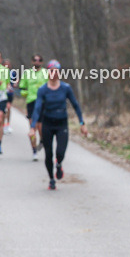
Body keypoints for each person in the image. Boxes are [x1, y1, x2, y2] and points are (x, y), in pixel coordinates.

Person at [30, 60, 87, 190]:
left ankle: (59, 164)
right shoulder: (42, 90)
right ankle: (51, 179)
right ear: (48, 73)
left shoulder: (66, 88)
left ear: (59, 72)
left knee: (60, 152)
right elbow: (37, 108)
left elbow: (75, 105)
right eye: (51, 71)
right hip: (48, 123)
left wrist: (82, 123)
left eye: (56, 71)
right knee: (48, 154)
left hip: (62, 123)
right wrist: (33, 127)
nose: (53, 74)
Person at [18, 54, 48, 159]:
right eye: (35, 60)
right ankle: (34, 151)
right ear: (32, 62)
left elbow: (51, 86)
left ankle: (42, 140)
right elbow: (22, 87)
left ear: (42, 62)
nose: (37, 62)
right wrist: (25, 93)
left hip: (43, 102)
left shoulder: (46, 73)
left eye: (39, 60)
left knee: (41, 127)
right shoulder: (27, 73)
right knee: (32, 127)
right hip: (31, 101)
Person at [3, 59, 15, 134]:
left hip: (10, 93)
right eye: (5, 64)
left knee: (8, 108)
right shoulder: (0, 72)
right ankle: (3, 125)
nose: (7, 66)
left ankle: (7, 124)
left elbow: (14, 81)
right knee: (4, 109)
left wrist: (14, 84)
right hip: (3, 93)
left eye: (8, 64)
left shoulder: (12, 73)